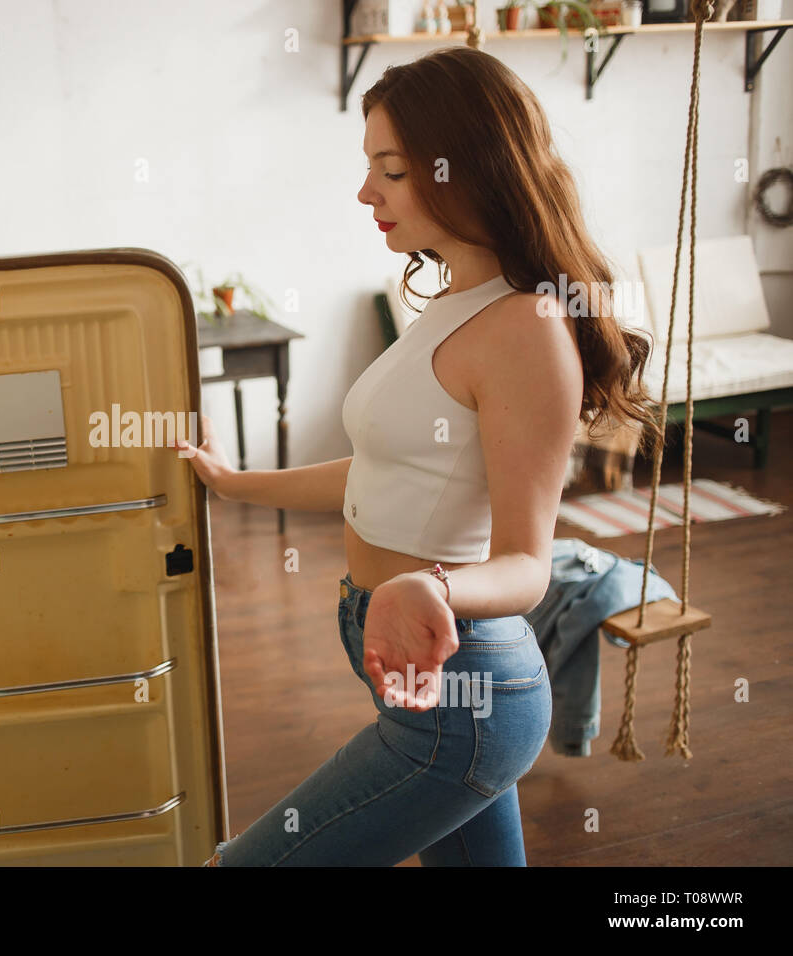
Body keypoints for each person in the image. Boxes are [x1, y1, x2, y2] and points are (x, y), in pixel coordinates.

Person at [177, 46, 662, 866]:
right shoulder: (451, 304)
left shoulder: (528, 330)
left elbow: (525, 565)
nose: (366, 192)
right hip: (427, 679)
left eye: (391, 170)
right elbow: (384, 474)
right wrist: (234, 484)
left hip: (467, 701)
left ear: (465, 165)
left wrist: (425, 582)